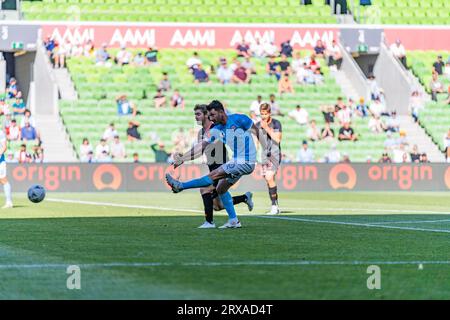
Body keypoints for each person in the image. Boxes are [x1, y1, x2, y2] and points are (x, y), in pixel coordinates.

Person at [166, 100, 265, 229]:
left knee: (214, 175)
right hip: (237, 161)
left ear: (221, 112)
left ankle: (181, 186)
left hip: (246, 160)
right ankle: (234, 220)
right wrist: (183, 158)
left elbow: (258, 132)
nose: (211, 119)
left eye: (212, 115)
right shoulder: (216, 129)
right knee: (221, 189)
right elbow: (201, 147)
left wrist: (267, 154)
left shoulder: (240, 119)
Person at [191, 104, 253, 228]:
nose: (196, 117)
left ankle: (209, 223)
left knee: (204, 189)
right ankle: (244, 199)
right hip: (212, 166)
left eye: (199, 114)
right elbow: (202, 149)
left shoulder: (217, 129)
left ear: (206, 116)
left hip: (221, 167)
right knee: (217, 206)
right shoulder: (202, 132)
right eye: (195, 114)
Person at [255, 103, 283, 215]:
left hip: (275, 155)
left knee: (269, 176)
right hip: (264, 156)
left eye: (265, 114)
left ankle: (273, 206)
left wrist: (266, 128)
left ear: (269, 113)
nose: (263, 116)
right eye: (262, 114)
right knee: (269, 181)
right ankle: (276, 204)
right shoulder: (257, 125)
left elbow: (278, 139)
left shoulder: (276, 123)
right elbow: (256, 142)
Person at [0, 129, 12, 208]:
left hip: (0, 161)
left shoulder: (0, 132)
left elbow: (4, 147)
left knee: (3, 180)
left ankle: (9, 202)